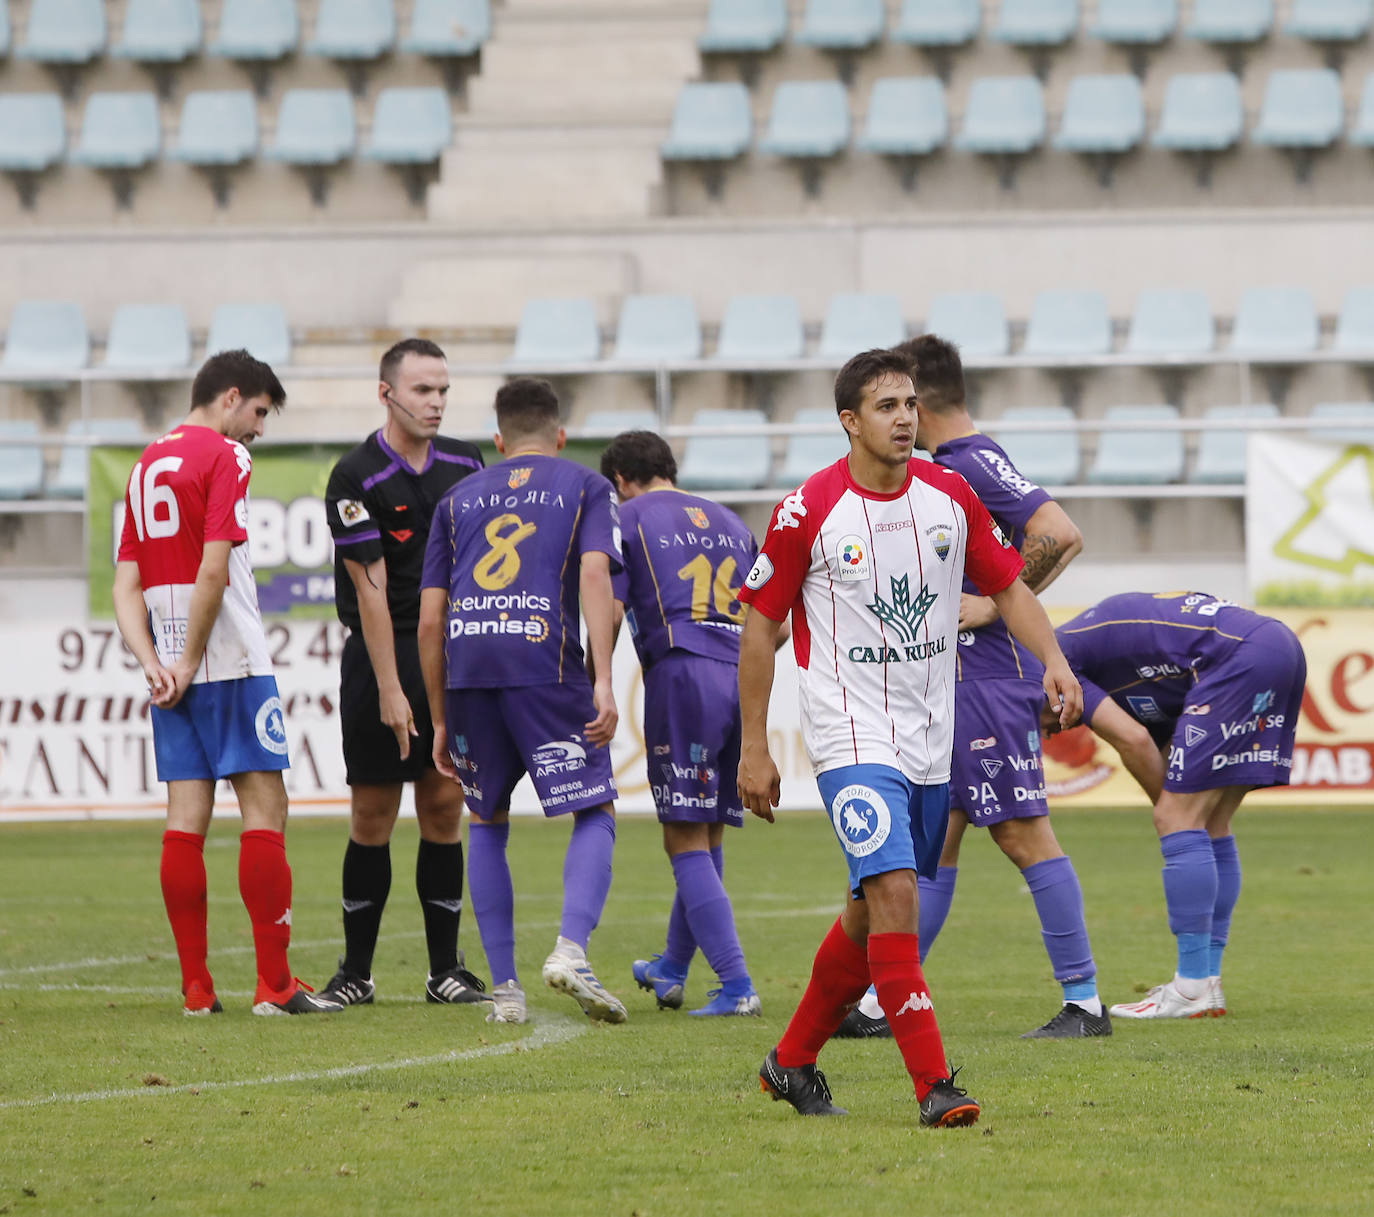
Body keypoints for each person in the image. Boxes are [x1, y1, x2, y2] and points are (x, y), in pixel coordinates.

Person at [737, 348, 1082, 1125]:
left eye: (909, 403)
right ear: (849, 421)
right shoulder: (807, 509)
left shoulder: (950, 495)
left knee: (868, 912)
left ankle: (791, 1061)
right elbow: (759, 628)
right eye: (885, 405)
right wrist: (754, 745)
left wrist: (1054, 659)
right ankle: (935, 1086)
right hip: (849, 733)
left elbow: (1008, 588)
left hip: (930, 734)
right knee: (896, 894)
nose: (904, 418)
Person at [837, 333, 1106, 1040]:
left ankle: (1085, 1002)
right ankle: (884, 1004)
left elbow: (1059, 531)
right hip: (952, 679)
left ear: (919, 402)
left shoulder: (965, 462)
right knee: (935, 841)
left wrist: (992, 603)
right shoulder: (958, 464)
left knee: (1022, 833)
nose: (898, 415)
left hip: (984, 675)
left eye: (902, 400)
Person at [111, 350, 342, 1016]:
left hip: (168, 663)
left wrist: (156, 661)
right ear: (231, 396)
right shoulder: (225, 455)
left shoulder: (145, 463)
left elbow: (126, 585)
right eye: (260, 412)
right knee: (266, 809)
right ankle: (275, 985)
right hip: (229, 658)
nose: (259, 429)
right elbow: (214, 568)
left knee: (184, 820)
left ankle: (196, 990)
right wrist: (193, 659)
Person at [418, 376, 627, 1026]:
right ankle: (571, 950)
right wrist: (603, 677)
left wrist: (439, 717)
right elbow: (595, 573)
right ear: (559, 435)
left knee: (485, 820)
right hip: (545, 659)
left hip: (468, 667)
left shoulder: (456, 498)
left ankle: (506, 990)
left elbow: (430, 618)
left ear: (498, 439)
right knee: (595, 807)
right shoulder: (586, 484)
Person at [318, 339, 489, 1009]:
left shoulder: (467, 463)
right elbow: (370, 592)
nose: (436, 402)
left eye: (443, 389)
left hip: (450, 655)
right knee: (373, 814)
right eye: (423, 389)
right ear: (386, 393)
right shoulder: (355, 474)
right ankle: (356, 974)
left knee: (444, 808)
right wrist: (391, 689)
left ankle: (446, 971)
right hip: (380, 657)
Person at [1052, 591, 1306, 1019]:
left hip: (1238, 655)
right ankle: (1207, 982)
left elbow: (1133, 741)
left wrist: (1174, 815)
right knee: (1213, 823)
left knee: (1180, 817)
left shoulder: (1054, 666)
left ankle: (1190, 988)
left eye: (1042, 723)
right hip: (1276, 646)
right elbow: (1159, 743)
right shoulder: (1119, 671)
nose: (1048, 734)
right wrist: (1185, 820)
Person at [599, 429, 763, 1017]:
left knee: (683, 837)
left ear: (620, 480)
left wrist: (595, 681)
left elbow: (610, 610)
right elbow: (772, 617)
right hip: (740, 674)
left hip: (682, 673)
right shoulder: (733, 522)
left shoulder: (626, 519)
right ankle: (671, 967)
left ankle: (737, 986)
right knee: (708, 830)